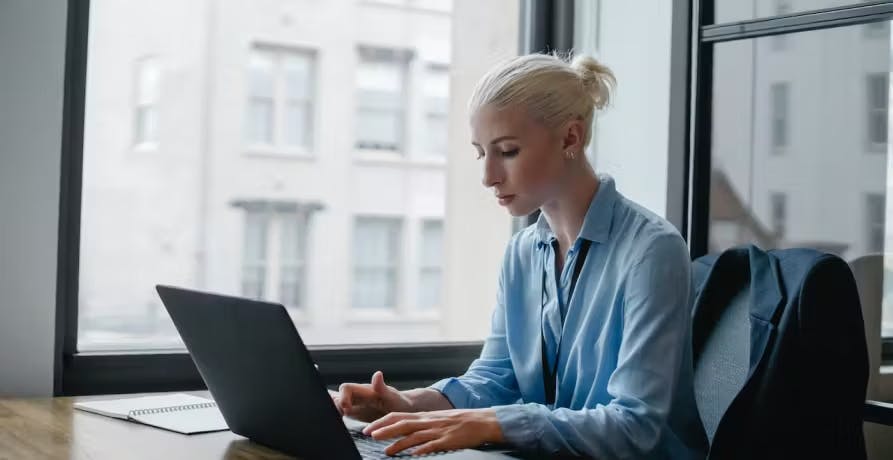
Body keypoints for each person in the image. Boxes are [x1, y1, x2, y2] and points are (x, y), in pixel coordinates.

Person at [333, 53, 708, 459]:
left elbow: (635, 426)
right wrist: (410, 404)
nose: (488, 176)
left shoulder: (653, 251)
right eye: (482, 154)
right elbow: (497, 378)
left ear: (570, 138)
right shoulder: (523, 252)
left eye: (507, 151)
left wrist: (493, 422)